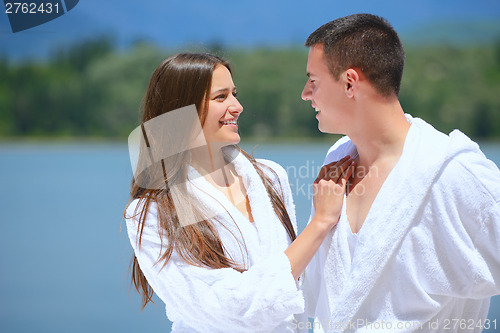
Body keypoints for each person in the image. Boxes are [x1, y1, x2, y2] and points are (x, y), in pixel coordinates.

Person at [124, 53, 355, 332]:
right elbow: (225, 309)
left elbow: (301, 282)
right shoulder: (152, 212)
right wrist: (320, 223)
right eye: (221, 97)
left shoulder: (270, 177)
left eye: (234, 94)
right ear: (180, 110)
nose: (238, 106)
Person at [300, 14, 500, 332]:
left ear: (350, 83)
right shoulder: (335, 165)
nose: (305, 94)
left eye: (313, 81)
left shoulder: (452, 173)